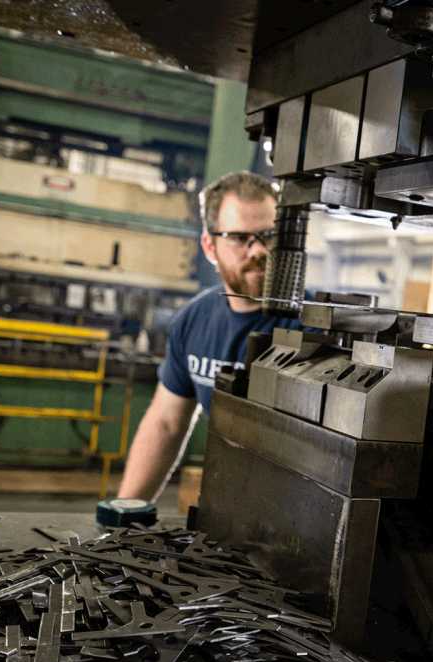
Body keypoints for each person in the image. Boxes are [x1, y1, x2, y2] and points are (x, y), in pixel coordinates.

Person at [117, 171, 303, 501]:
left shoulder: (314, 328)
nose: (258, 250)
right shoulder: (193, 320)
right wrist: (125, 513)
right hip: (226, 506)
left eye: (268, 235)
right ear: (210, 246)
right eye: (238, 237)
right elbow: (166, 423)